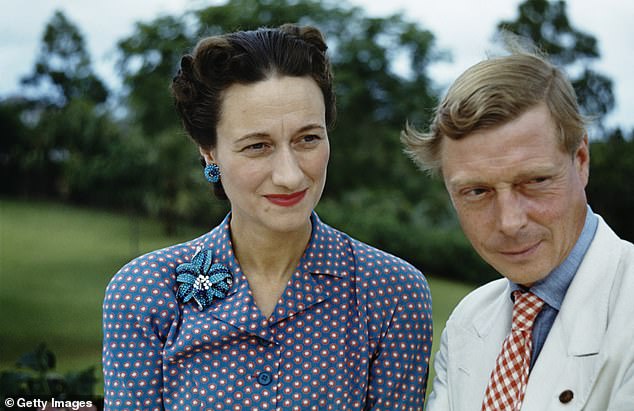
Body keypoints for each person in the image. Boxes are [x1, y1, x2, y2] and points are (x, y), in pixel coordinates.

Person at [102, 24, 432, 410]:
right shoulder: (143, 293)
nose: (290, 175)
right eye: (258, 146)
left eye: (307, 138)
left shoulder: (391, 293)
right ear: (209, 151)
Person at [402, 45, 634, 410]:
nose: (509, 222)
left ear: (582, 161)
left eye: (536, 181)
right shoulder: (467, 320)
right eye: (477, 191)